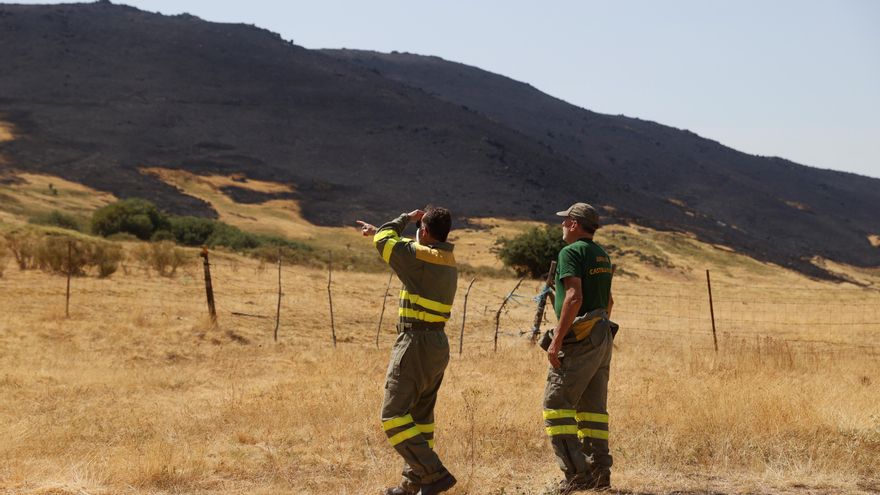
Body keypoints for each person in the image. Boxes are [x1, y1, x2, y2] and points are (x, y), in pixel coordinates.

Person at [357, 207, 458, 495]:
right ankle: (415, 483)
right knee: (421, 419)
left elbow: (387, 241)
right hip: (436, 344)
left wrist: (404, 218)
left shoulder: (420, 257)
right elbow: (396, 245)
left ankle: (433, 473)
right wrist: (379, 231)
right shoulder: (444, 258)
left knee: (393, 415)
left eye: (419, 228)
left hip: (415, 343)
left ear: (424, 231)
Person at [541, 202, 615, 493]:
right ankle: (600, 475)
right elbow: (609, 301)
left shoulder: (570, 252)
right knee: (593, 410)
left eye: (564, 222)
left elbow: (573, 297)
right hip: (602, 333)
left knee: (556, 405)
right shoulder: (602, 254)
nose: (561, 226)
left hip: (580, 337)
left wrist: (556, 341)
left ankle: (576, 476)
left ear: (573, 223)